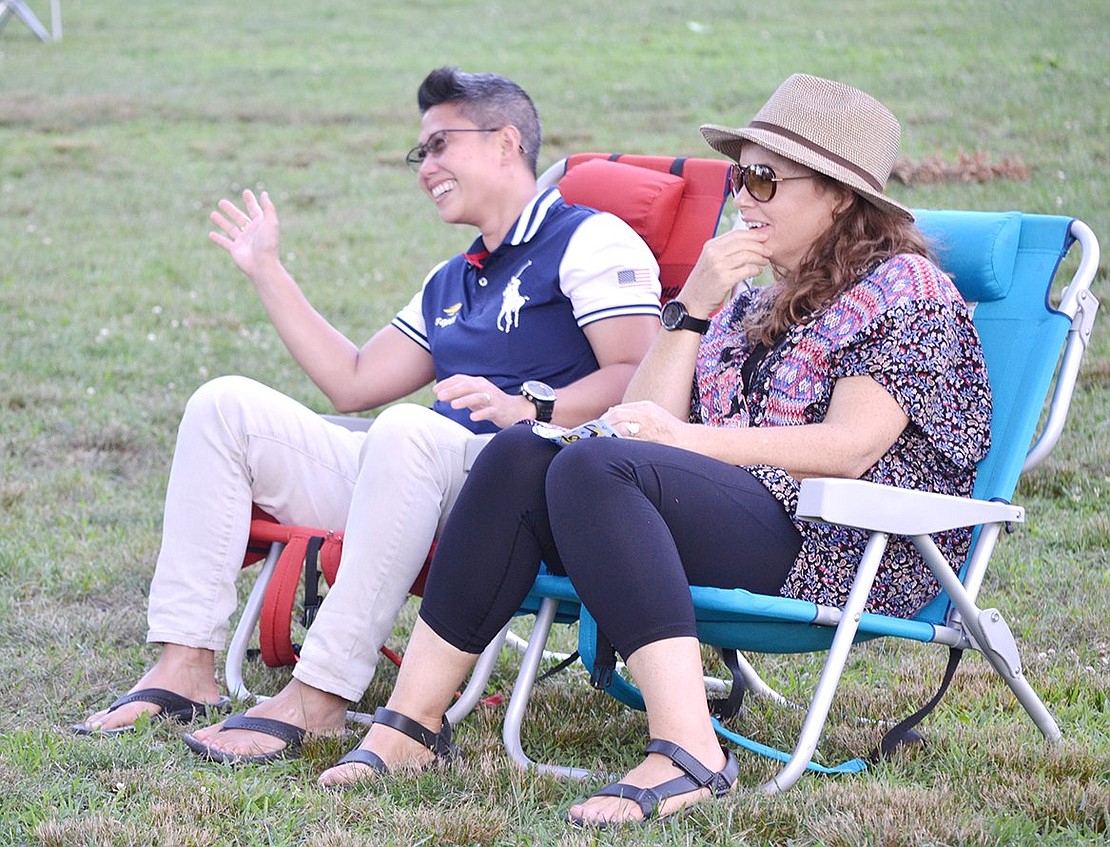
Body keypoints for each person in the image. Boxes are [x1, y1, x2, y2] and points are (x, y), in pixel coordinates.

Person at [317, 73, 992, 825]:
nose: (745, 196)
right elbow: (646, 417)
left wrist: (684, 439)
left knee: (593, 464)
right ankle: (413, 723)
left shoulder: (906, 289)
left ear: (837, 195)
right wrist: (692, 307)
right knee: (522, 454)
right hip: (740, 512)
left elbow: (847, 448)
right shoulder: (750, 296)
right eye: (741, 174)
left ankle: (690, 750)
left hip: (836, 540)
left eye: (765, 178)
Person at [73, 66, 663, 763]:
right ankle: (184, 668)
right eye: (421, 153)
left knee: (411, 427)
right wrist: (269, 269)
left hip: (525, 484)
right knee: (224, 405)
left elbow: (639, 377)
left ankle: (321, 693)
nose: (427, 167)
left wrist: (528, 404)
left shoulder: (590, 239)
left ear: (507, 143)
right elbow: (353, 381)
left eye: (441, 144)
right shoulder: (454, 277)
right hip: (417, 474)